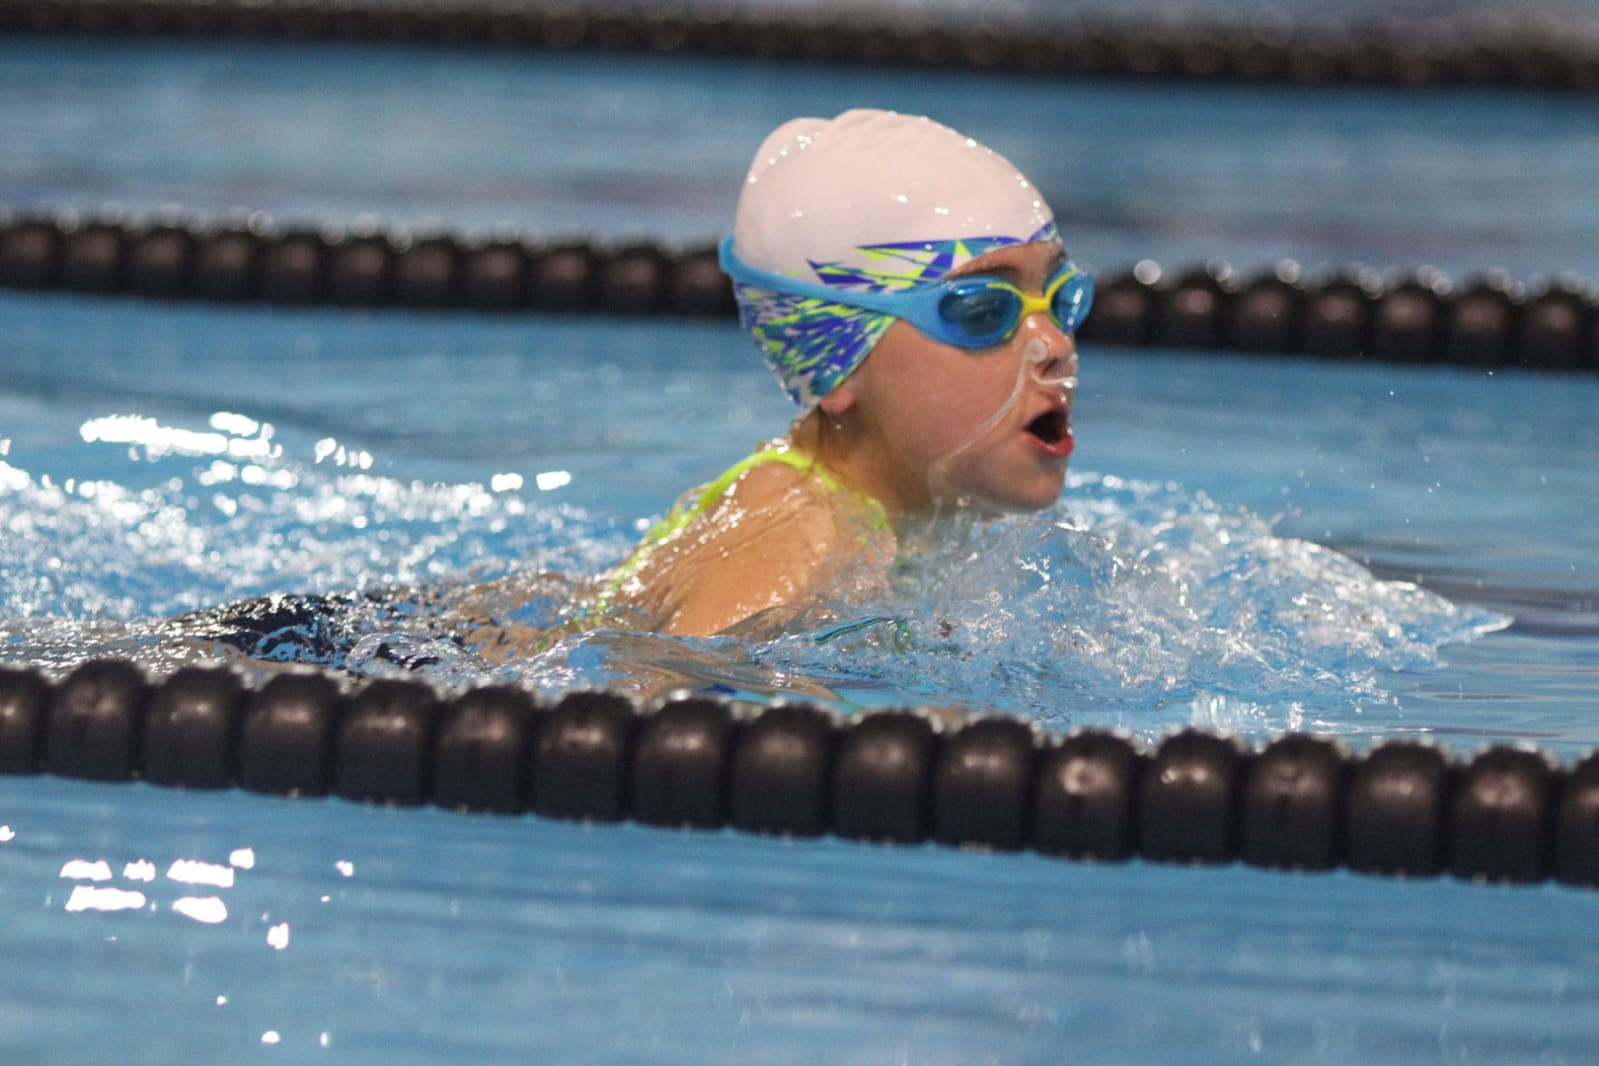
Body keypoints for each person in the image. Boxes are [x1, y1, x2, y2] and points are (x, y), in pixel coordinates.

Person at [583, 109, 1094, 640]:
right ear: (837, 365)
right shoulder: (798, 543)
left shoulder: (927, 509)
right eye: (983, 312)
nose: (1055, 345)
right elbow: (661, 702)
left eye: (1062, 299)